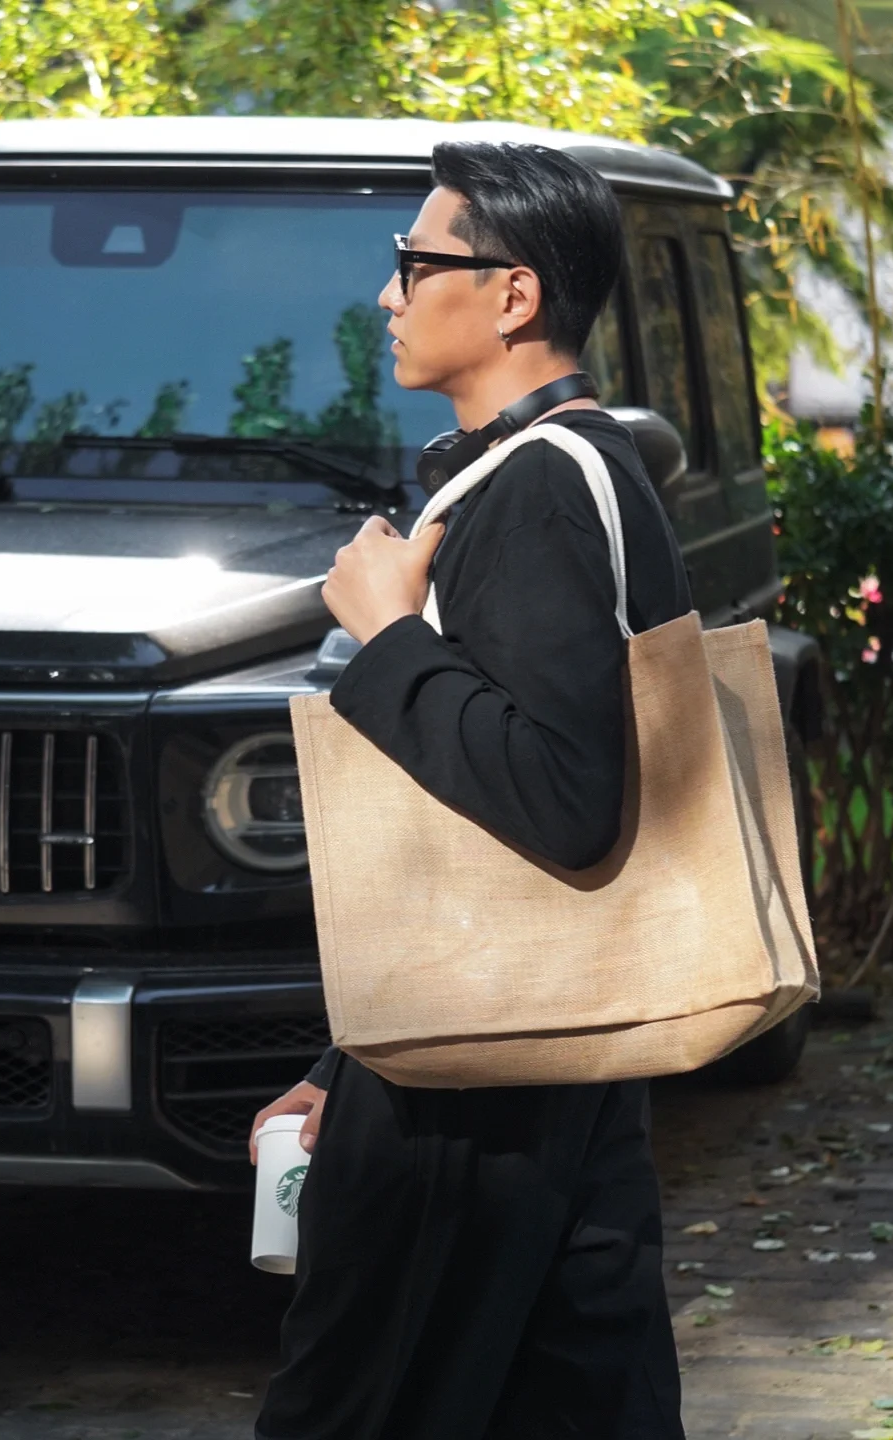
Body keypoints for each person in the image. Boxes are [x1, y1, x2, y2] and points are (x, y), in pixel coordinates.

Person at [251, 140, 691, 1440]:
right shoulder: (573, 465)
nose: (387, 295)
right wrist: (348, 1060)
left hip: (478, 1099)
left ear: (512, 295)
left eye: (413, 262)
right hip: (547, 1046)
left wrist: (389, 637)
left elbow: (562, 796)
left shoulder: (543, 487)